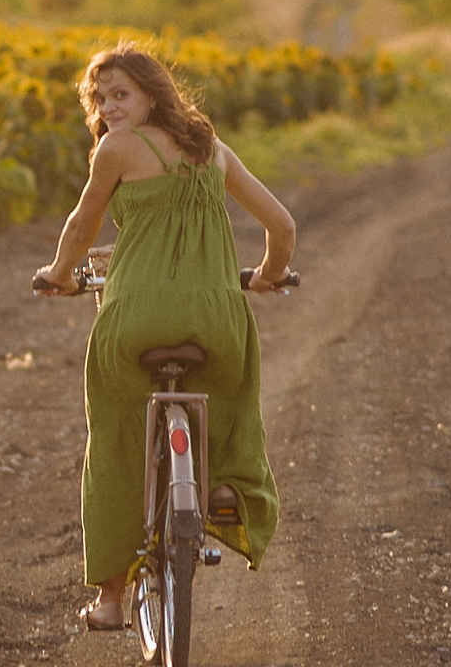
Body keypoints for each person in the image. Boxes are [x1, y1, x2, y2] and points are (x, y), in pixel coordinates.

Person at [31, 41, 295, 630]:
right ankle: (223, 490)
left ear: (152, 94)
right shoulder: (212, 150)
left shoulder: (116, 150)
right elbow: (281, 225)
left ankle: (111, 601)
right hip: (218, 317)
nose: (109, 107)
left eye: (120, 94)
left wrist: (56, 275)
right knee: (229, 401)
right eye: (100, 97)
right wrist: (270, 275)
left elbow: (82, 224)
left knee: (116, 435)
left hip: (137, 318)